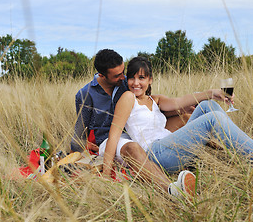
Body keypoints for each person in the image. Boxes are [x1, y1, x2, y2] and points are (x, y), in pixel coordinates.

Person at [101, 56, 253, 195]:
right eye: (132, 77)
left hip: (170, 145)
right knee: (213, 120)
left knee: (207, 106)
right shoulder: (127, 98)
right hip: (155, 153)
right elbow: (115, 132)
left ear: (150, 80)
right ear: (127, 79)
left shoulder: (155, 99)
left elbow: (179, 102)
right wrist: (105, 171)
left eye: (141, 78)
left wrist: (211, 93)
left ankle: (244, 156)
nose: (136, 83)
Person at [71, 49, 196, 198]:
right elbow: (79, 131)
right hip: (109, 140)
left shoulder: (126, 83)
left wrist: (179, 110)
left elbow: (146, 108)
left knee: (186, 118)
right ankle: (171, 190)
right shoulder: (85, 94)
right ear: (103, 75)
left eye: (123, 72)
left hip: (137, 133)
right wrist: (84, 147)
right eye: (117, 75)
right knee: (132, 147)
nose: (123, 77)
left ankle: (208, 159)